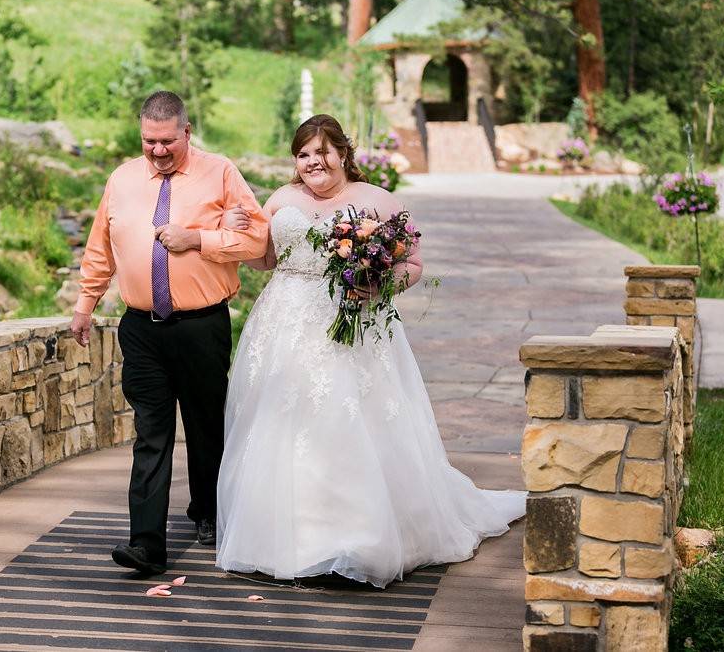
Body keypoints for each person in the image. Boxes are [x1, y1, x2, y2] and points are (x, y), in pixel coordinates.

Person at [215, 114, 526, 588]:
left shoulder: (377, 201)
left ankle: (358, 537)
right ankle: (291, 538)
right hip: (283, 323)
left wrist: (378, 285)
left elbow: (414, 263)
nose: (312, 163)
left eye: (321, 152)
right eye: (303, 155)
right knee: (283, 424)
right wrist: (233, 225)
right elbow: (265, 260)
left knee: (347, 422)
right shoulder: (281, 199)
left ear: (342, 153)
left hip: (354, 325)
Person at [71, 91, 269, 575]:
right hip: (140, 327)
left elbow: (258, 238)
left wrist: (198, 237)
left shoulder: (220, 172)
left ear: (187, 131)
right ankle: (145, 544)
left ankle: (208, 511)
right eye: (148, 141)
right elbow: (102, 246)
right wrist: (85, 302)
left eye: (167, 141)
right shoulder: (120, 179)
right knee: (151, 433)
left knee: (205, 427)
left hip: (202, 326)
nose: (158, 150)